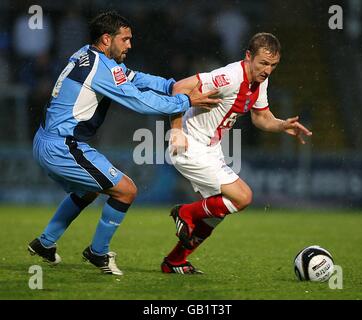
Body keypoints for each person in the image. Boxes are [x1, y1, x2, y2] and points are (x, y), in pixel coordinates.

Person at [28, 11, 220, 276]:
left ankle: (45, 243)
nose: (130, 45)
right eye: (125, 39)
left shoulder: (86, 54)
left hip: (45, 140)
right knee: (126, 190)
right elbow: (139, 102)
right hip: (62, 145)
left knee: (89, 190)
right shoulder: (101, 69)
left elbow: (135, 78)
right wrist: (185, 101)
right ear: (107, 39)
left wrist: (172, 85)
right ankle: (98, 253)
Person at [162, 32, 312, 274]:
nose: (268, 70)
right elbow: (179, 87)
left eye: (273, 65)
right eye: (263, 63)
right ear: (248, 56)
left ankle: (174, 261)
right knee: (243, 197)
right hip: (189, 144)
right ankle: (184, 212)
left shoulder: (260, 81)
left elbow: (261, 117)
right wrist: (176, 130)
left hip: (210, 149)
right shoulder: (229, 77)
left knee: (216, 214)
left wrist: (282, 124)